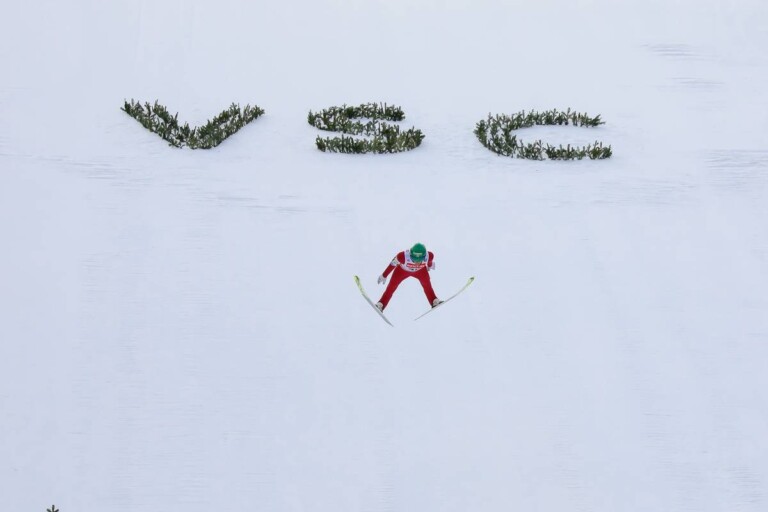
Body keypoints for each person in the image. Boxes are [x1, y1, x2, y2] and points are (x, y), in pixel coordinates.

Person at [376, 243, 442, 311]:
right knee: (391, 287)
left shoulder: (429, 256)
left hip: (420, 271)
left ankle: (434, 301)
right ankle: (381, 304)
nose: (417, 262)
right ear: (410, 255)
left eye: (419, 260)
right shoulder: (402, 256)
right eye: (414, 259)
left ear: (424, 256)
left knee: (427, 285)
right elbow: (392, 264)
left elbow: (429, 262)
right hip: (402, 271)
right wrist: (384, 275)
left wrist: (429, 266)